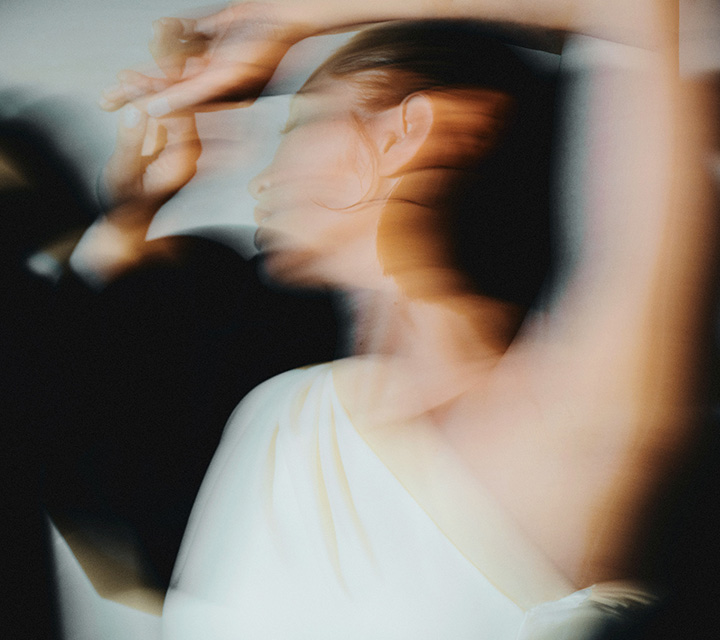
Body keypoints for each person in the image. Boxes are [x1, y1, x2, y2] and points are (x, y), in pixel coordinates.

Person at [92, 2, 716, 639]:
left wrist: (296, 16)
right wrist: (131, 218)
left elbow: (635, 12)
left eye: (301, 124)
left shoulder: (560, 426)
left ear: (408, 131)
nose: (264, 178)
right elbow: (92, 492)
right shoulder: (284, 407)